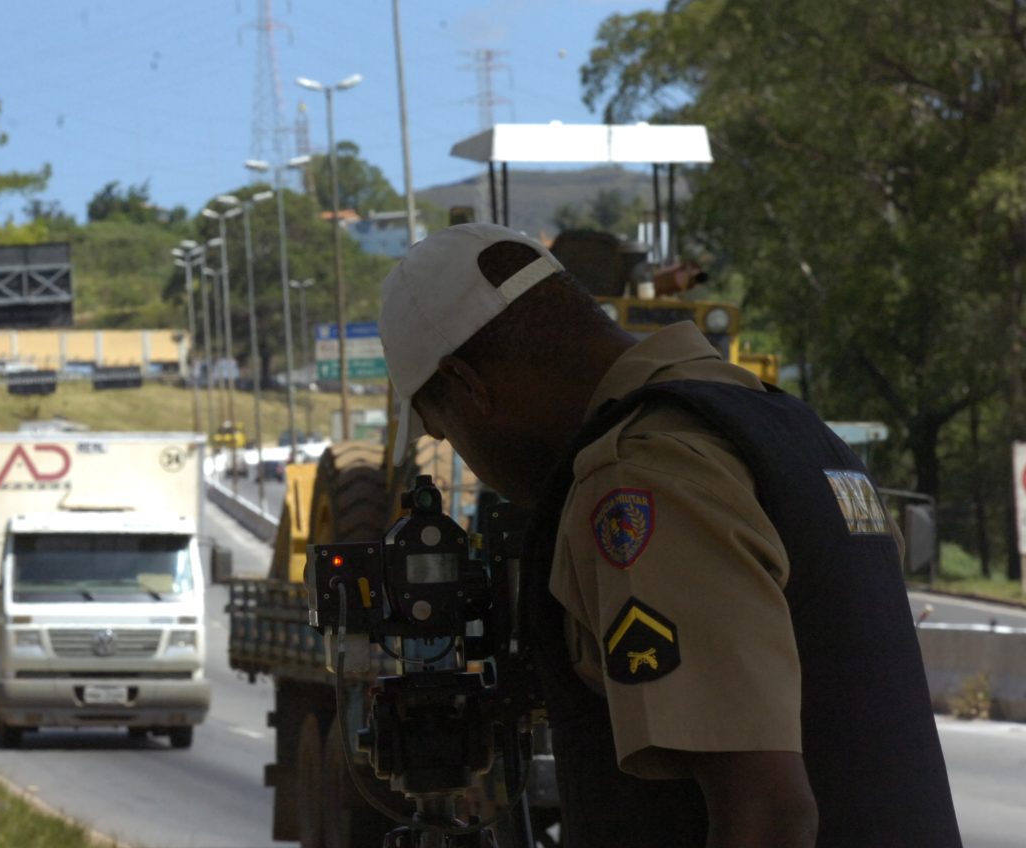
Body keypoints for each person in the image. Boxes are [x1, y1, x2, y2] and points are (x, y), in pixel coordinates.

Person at [378, 222, 962, 847]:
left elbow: (768, 815)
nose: (467, 461)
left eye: (447, 432)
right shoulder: (787, 427)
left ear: (469, 386)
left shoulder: (641, 475)